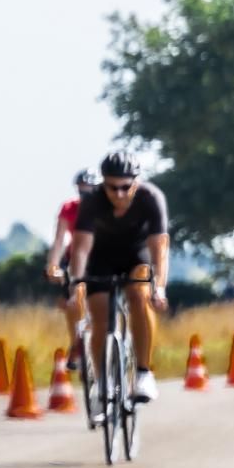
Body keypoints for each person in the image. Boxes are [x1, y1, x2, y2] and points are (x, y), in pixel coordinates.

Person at [67, 151, 168, 411]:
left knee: (139, 294)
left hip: (137, 255)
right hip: (101, 257)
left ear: (136, 182)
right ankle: (103, 382)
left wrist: (160, 288)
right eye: (112, 187)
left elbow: (159, 247)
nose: (119, 194)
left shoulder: (150, 198)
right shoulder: (92, 201)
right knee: (100, 316)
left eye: (125, 187)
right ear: (103, 183)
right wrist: (76, 281)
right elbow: (80, 247)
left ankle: (144, 373)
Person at [45, 168, 100, 370]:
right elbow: (59, 240)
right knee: (73, 300)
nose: (84, 197)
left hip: (102, 257)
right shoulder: (69, 208)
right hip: (75, 257)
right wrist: (53, 264)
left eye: (89, 192)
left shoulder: (107, 207)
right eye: (81, 192)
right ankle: (77, 342)